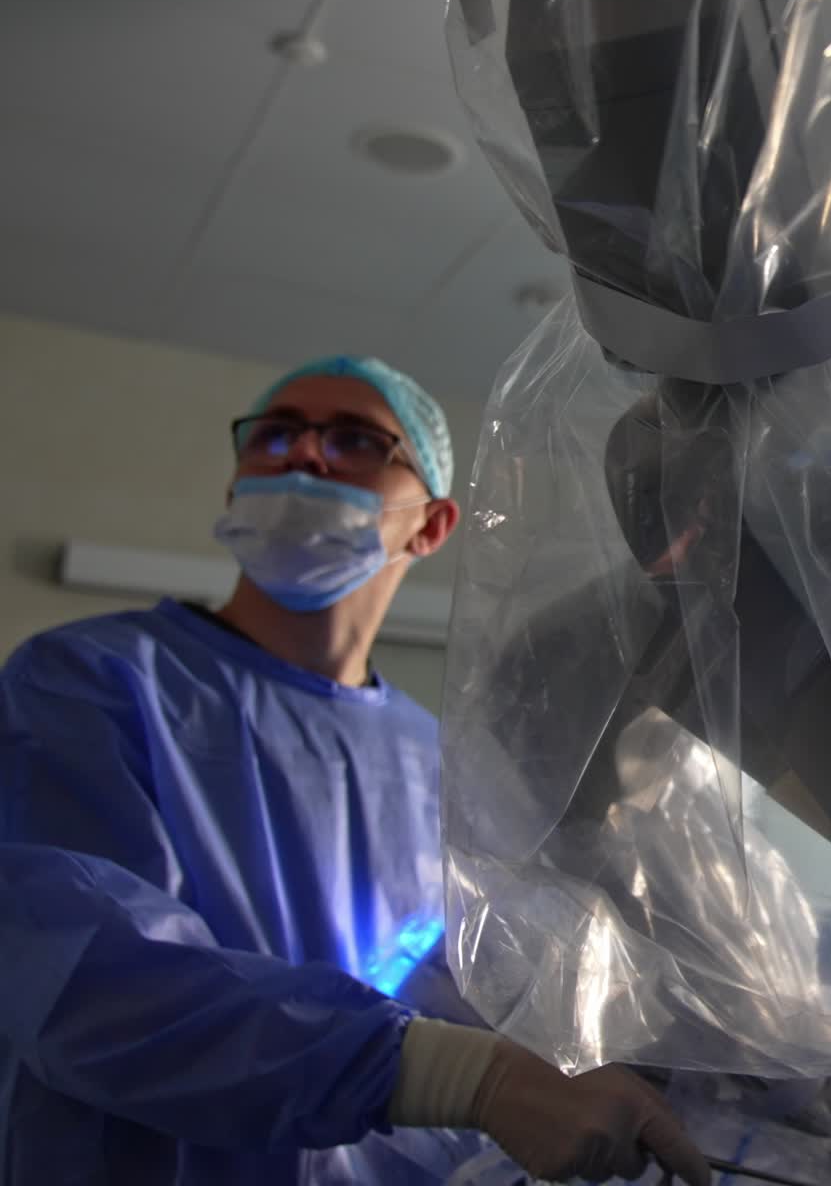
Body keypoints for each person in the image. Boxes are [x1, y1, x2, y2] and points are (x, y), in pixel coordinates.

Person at [0, 355, 709, 1186]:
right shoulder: (87, 682)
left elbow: (464, 985)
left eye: (353, 440)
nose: (303, 455)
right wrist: (460, 1079)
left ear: (432, 526)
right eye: (274, 434)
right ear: (235, 491)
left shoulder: (442, 765)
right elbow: (86, 981)